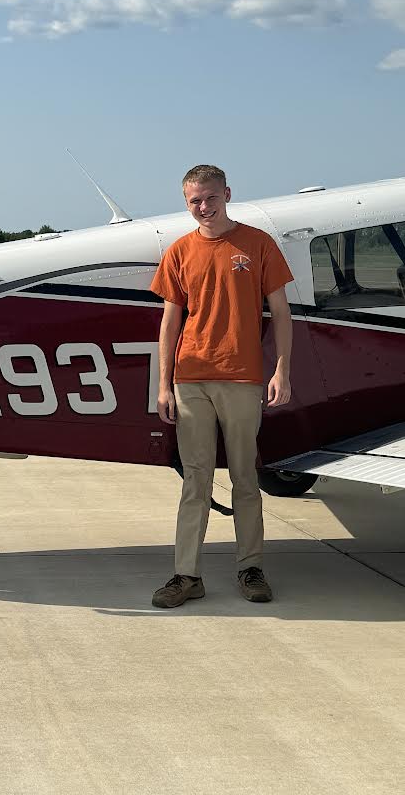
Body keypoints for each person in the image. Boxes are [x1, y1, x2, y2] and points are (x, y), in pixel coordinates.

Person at [150, 165, 293, 608]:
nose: (204, 207)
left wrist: (282, 371)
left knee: (245, 477)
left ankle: (251, 568)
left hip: (243, 376)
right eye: (195, 201)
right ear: (186, 202)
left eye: (211, 198)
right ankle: (186, 575)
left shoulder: (257, 243)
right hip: (191, 379)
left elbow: (281, 311)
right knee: (195, 480)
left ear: (226, 194)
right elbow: (171, 320)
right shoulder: (180, 250)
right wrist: (164, 385)